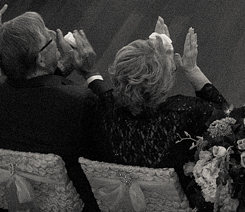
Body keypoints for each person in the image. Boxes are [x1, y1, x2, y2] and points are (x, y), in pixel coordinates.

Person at [95, 18, 229, 211]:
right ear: (164, 83)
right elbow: (226, 117)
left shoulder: (103, 105)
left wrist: (156, 57)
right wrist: (192, 69)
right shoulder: (183, 112)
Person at [0, 9, 107, 211]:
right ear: (40, 60)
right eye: (47, 36)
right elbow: (114, 124)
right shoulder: (79, 102)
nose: (52, 34)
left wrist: (62, 65)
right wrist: (91, 72)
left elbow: (34, 92)